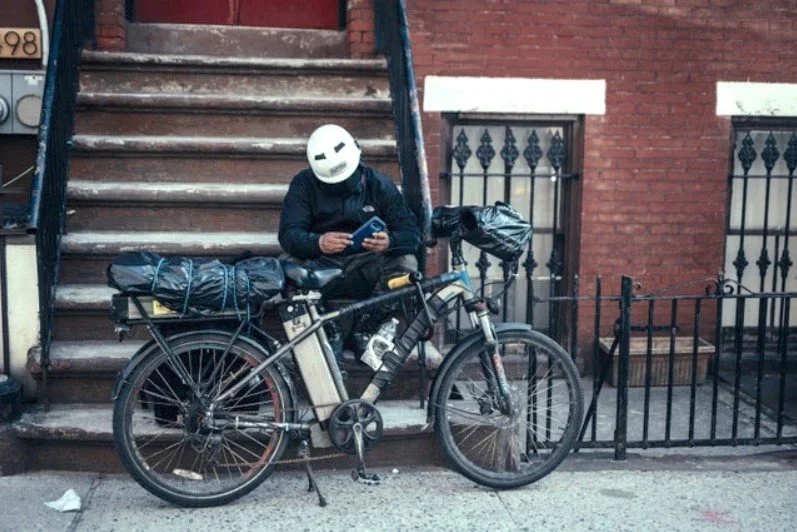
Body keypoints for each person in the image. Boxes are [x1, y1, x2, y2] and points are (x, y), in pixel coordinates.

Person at [278, 124, 422, 368]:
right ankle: (327, 328)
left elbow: (412, 235)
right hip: (324, 268)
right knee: (287, 265)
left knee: (406, 263)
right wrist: (318, 242)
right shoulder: (303, 184)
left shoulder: (379, 184)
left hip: (368, 266)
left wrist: (390, 242)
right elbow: (288, 235)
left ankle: (367, 324)